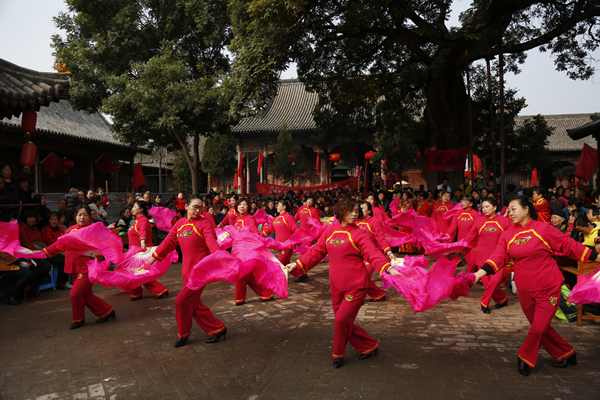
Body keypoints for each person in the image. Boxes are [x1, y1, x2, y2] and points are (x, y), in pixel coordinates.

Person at [474, 196, 598, 376]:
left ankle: (524, 356)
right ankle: (566, 353)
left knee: (538, 327)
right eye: (508, 210)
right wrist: (480, 273)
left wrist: (596, 257)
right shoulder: (507, 234)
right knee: (540, 327)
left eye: (514, 208)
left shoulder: (543, 229)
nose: (510, 213)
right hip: (524, 289)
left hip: (548, 286)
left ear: (526, 209)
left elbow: (569, 246)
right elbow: (498, 256)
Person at [286, 197, 397, 368]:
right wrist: (297, 264)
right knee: (343, 321)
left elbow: (372, 253)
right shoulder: (330, 231)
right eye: (351, 210)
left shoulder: (360, 233)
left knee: (340, 321)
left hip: (357, 285)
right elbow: (316, 252)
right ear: (341, 211)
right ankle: (369, 345)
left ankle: (338, 355)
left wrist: (387, 267)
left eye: (357, 211)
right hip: (336, 286)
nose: (354, 214)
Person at [145, 195, 226, 347]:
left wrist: (218, 256)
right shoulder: (180, 224)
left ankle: (183, 335)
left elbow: (211, 240)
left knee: (180, 302)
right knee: (193, 303)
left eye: (201, 207)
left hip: (199, 273)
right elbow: (168, 243)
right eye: (195, 206)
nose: (198, 210)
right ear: (186, 206)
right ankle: (217, 329)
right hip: (185, 272)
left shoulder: (204, 223)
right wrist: (150, 260)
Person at [43, 205, 116, 330]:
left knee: (75, 294)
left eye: (85, 215)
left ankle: (78, 319)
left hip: (87, 268)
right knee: (86, 295)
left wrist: (98, 255)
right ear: (75, 216)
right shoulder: (70, 230)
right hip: (73, 266)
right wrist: (42, 252)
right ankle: (106, 311)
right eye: (79, 214)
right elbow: (59, 245)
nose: (82, 217)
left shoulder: (94, 230)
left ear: (90, 217)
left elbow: (105, 247)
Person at [462, 198, 510, 313]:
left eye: (487, 206)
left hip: (498, 258)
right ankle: (502, 299)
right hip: (482, 258)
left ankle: (484, 303)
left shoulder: (505, 221)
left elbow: (511, 237)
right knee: (489, 285)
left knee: (494, 282)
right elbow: (470, 237)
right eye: (483, 207)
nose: (484, 209)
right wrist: (458, 247)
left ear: (495, 207)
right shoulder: (479, 221)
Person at [233, 197, 274, 305]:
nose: (242, 207)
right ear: (236, 207)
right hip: (238, 251)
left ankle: (240, 299)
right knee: (249, 276)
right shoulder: (237, 219)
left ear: (249, 207)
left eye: (244, 204)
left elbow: (255, 233)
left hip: (246, 252)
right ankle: (266, 293)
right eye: (240, 205)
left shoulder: (250, 219)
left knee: (240, 274)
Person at [128, 200, 169, 301]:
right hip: (134, 252)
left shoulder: (143, 221)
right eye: (132, 207)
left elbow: (143, 233)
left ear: (141, 209)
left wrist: (142, 243)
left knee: (142, 274)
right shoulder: (136, 220)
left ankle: (160, 290)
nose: (132, 209)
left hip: (141, 252)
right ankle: (136, 293)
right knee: (133, 273)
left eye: (135, 207)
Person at [357, 201, 396, 302]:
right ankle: (378, 294)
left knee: (362, 277)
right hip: (358, 255)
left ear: (369, 211)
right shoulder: (355, 222)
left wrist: (389, 252)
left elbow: (381, 239)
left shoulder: (375, 222)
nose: (360, 210)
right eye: (359, 208)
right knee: (359, 277)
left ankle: (356, 299)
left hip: (371, 256)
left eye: (363, 208)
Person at [262, 200, 308, 283]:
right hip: (279, 245)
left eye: (279, 205)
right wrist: (260, 236)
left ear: (284, 207)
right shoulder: (275, 219)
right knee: (285, 263)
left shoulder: (288, 217)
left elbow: (294, 228)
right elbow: (269, 229)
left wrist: (301, 235)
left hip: (287, 246)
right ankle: (301, 275)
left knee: (279, 263)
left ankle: (274, 281)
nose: (277, 207)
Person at [446, 195, 479, 272]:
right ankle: (473, 278)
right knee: (471, 261)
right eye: (462, 201)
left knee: (473, 261)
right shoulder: (458, 213)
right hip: (461, 242)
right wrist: (447, 235)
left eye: (465, 201)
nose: (462, 203)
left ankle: (474, 277)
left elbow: (477, 229)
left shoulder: (475, 214)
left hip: (472, 242)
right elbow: (453, 227)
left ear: (471, 204)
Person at [40, 212, 71, 289]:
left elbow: (66, 240)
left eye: (56, 220)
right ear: (48, 221)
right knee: (62, 261)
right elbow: (51, 243)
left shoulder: (60, 229)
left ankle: (68, 281)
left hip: (61, 251)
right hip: (50, 253)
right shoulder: (46, 230)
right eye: (52, 220)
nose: (54, 222)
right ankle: (60, 283)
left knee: (70, 258)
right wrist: (62, 251)